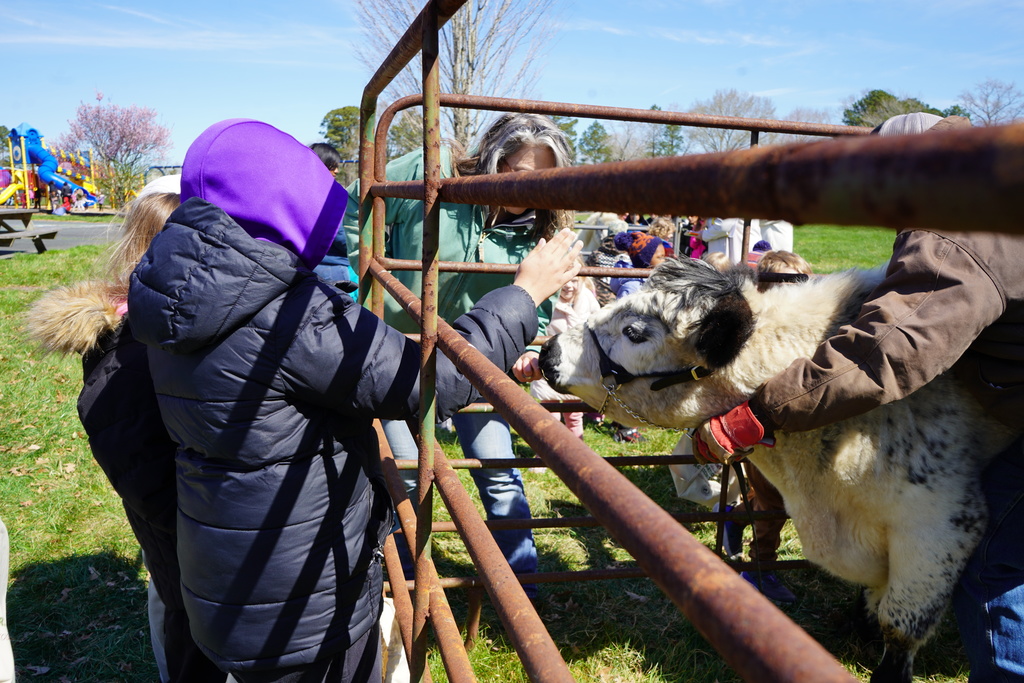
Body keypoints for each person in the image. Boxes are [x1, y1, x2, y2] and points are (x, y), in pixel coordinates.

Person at [127, 118, 582, 681]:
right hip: (306, 601)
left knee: (491, 474)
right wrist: (524, 294)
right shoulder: (291, 315)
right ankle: (421, 587)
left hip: (228, 578)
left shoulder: (174, 290)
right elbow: (430, 380)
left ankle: (517, 591)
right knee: (411, 481)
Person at [693, 112, 1024, 679]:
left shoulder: (954, 228)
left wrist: (761, 411)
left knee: (993, 555)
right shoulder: (990, 193)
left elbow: (890, 348)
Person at [338, 112, 576, 587]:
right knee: (405, 471)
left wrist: (526, 352)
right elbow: (353, 224)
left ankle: (521, 583)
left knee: (497, 466)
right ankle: (406, 578)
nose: (523, 190)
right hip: (393, 351)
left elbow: (539, 308)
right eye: (513, 174)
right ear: (492, 156)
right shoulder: (426, 170)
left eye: (542, 179)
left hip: (478, 355)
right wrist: (353, 300)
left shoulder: (542, 231)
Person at [27, 175, 226, 683]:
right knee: (187, 629)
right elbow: (145, 472)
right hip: (191, 543)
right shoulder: (132, 353)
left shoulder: (155, 329)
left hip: (190, 540)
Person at [725, 249, 815, 605]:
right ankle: (759, 570)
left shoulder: (808, 323)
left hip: (798, 426)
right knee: (774, 503)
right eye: (785, 286)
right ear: (764, 288)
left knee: (773, 496)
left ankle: (734, 519)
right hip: (759, 428)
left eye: (802, 285)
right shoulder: (752, 328)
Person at [607, 230, 668, 443]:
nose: (664, 259)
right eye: (659, 256)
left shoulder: (647, 280)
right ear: (644, 260)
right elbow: (625, 317)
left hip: (640, 342)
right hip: (629, 345)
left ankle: (622, 422)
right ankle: (624, 429)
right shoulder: (632, 285)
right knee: (629, 385)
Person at [529, 266, 601, 438]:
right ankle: (545, 456)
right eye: (564, 280)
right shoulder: (548, 299)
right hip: (551, 365)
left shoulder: (587, 298)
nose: (568, 285)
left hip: (578, 366)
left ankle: (577, 457)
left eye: (574, 280)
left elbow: (599, 322)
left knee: (575, 414)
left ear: (581, 280)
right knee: (550, 414)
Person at [309, 142, 354, 286]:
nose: (336, 171)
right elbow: (339, 234)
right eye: (332, 166)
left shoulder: (304, 192)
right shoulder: (328, 194)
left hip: (308, 264)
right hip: (334, 268)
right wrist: (357, 247)